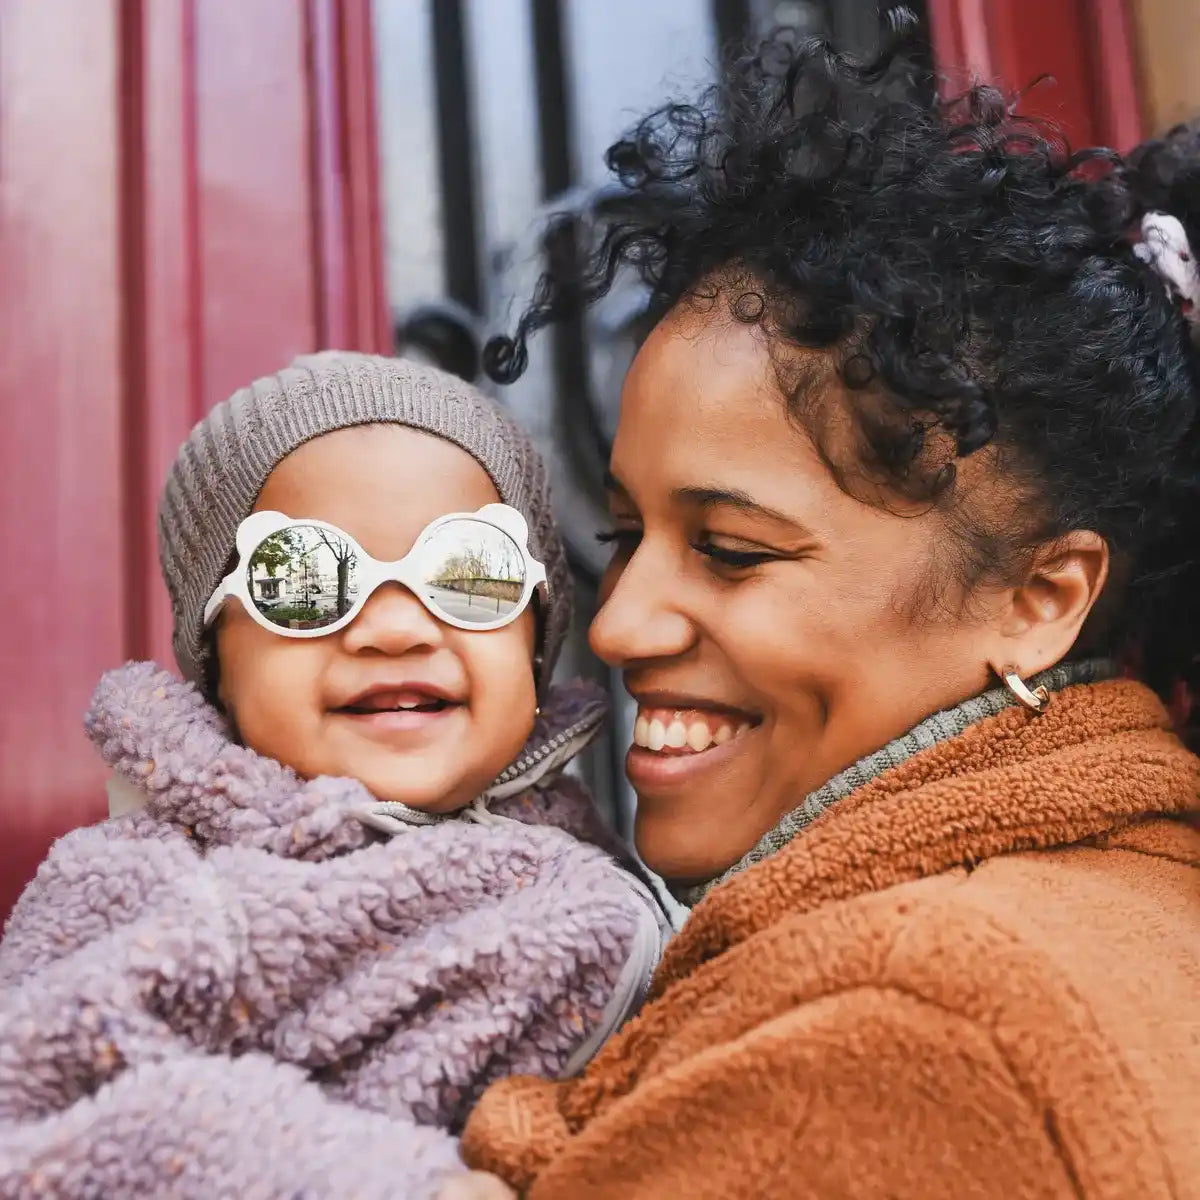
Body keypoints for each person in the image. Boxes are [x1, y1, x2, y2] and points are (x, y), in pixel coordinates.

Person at [451, 23, 1200, 1200]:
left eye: (734, 550)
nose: (616, 625)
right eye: (626, 537)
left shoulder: (909, 1034)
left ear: (1040, 598)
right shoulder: (1115, 914)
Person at [0, 352, 667, 1198]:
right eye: (304, 579)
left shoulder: (588, 840)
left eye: (468, 570)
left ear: (535, 641)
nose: (393, 629)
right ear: (219, 666)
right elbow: (30, 1108)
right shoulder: (151, 882)